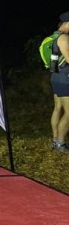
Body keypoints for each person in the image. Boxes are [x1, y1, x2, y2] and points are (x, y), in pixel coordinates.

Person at [50, 12, 69, 152]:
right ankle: (61, 144)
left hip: (56, 77)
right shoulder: (64, 38)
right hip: (65, 79)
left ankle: (55, 140)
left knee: (58, 108)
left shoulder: (55, 36)